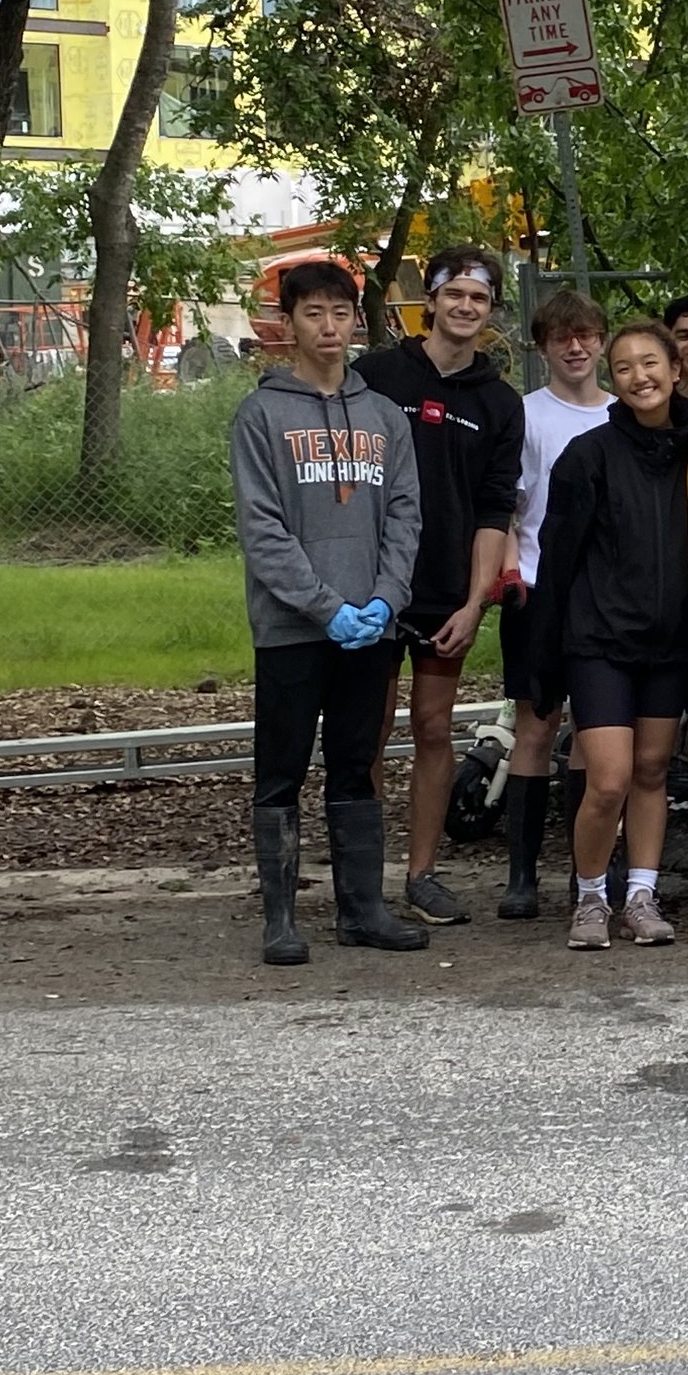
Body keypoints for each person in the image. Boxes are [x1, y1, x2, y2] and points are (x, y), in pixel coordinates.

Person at [231, 259, 425, 964]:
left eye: (340, 313)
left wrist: (385, 598)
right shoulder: (261, 415)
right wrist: (324, 606)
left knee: (355, 763)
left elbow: (405, 514)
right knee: (281, 768)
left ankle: (362, 909)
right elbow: (262, 528)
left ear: (356, 322)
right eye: (313, 313)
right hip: (292, 628)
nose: (329, 327)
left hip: (368, 628)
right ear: (289, 323)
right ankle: (281, 918)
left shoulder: (384, 417)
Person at [352, 247, 523, 928]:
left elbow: (494, 509)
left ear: (491, 309)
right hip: (370, 587)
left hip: (444, 590)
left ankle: (421, 875)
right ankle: (362, 877)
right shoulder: (375, 376)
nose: (465, 307)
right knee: (364, 730)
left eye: (479, 298)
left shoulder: (498, 401)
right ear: (430, 299)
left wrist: (475, 602)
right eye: (454, 294)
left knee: (431, 725)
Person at [532, 321, 688, 951]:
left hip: (673, 640)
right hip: (599, 640)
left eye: (651, 363)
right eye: (626, 367)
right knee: (608, 780)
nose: (640, 377)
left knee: (653, 770)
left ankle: (640, 894)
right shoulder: (589, 454)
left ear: (676, 369)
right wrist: (544, 652)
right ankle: (589, 896)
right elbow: (557, 556)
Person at [496, 287, 610, 921]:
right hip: (538, 587)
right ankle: (521, 874)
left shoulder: (622, 414)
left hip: (602, 596)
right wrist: (509, 570)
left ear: (601, 342)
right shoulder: (525, 415)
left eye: (585, 335)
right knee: (535, 727)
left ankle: (583, 869)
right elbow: (507, 506)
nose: (575, 346)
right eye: (561, 337)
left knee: (595, 733)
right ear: (542, 347)